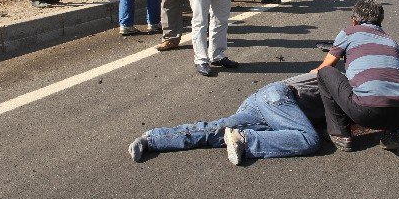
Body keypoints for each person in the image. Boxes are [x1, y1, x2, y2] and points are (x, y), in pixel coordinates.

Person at [127, 73, 324, 165]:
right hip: (280, 100)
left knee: (217, 130)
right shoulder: (344, 85)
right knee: (309, 139)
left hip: (265, 103)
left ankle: (151, 139)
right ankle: (246, 139)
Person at [312, 0, 399, 152]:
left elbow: (325, 66)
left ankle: (340, 134)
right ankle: (391, 134)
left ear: (354, 21)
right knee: (387, 82)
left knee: (325, 74)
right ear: (380, 21)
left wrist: (309, 75)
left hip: (368, 112)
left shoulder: (349, 33)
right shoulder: (391, 41)